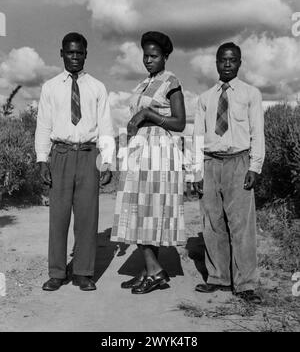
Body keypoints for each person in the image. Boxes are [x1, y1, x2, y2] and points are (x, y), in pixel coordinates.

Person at [35, 32, 115, 291]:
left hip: (88, 155)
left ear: (86, 54)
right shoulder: (50, 87)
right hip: (60, 154)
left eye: (79, 52)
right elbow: (43, 126)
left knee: (87, 216)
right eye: (70, 52)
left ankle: (83, 272)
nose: (75, 57)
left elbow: (105, 126)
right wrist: (42, 159)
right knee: (58, 217)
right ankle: (57, 272)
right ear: (61, 53)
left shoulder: (97, 87)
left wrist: (108, 161)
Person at [110, 31, 186, 294]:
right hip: (139, 150)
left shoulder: (171, 82)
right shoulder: (142, 84)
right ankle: (147, 270)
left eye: (154, 56)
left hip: (159, 151)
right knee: (140, 210)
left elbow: (180, 122)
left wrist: (149, 113)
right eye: (145, 55)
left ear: (165, 57)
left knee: (148, 211)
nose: (149, 60)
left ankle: (155, 271)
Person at [192, 42, 265, 303]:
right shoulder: (205, 98)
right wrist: (196, 172)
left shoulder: (251, 94)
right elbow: (197, 137)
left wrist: (255, 167)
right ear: (216, 62)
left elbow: (257, 132)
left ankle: (245, 283)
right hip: (211, 163)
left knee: (241, 225)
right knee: (212, 223)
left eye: (232, 60)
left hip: (239, 161)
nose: (227, 64)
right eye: (222, 59)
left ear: (239, 63)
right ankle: (218, 277)